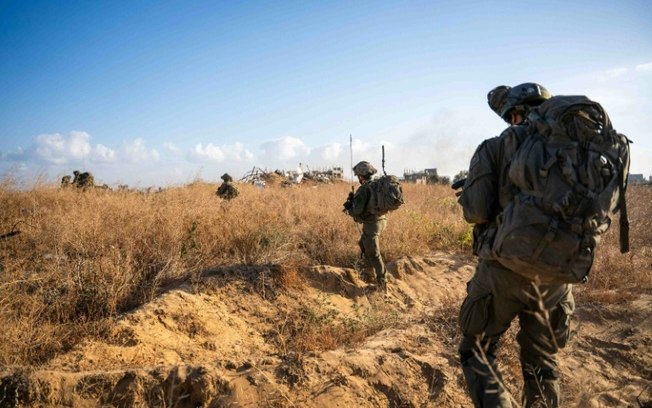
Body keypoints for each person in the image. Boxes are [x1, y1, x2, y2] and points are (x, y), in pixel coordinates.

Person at [457, 83, 574, 407]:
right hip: (556, 275)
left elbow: (477, 211)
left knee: (476, 351)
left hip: (503, 271)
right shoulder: (572, 152)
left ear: (514, 113)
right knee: (542, 363)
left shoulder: (496, 147)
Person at [344, 161, 388, 292]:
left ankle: (382, 284)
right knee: (363, 243)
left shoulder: (363, 189)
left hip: (372, 224)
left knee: (374, 254)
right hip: (381, 221)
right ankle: (368, 273)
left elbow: (357, 211)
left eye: (358, 175)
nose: (358, 177)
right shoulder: (376, 184)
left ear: (361, 176)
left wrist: (350, 206)